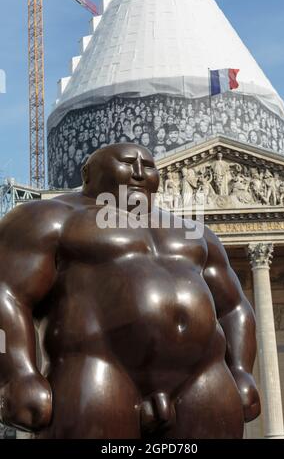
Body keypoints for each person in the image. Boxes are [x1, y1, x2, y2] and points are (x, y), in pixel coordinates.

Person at [0, 143, 259, 439]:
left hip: (202, 378)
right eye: (126, 163)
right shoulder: (48, 217)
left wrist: (241, 370)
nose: (138, 172)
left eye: (147, 166)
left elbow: (234, 307)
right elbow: (7, 293)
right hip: (100, 372)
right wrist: (17, 374)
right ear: (87, 173)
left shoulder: (194, 231)